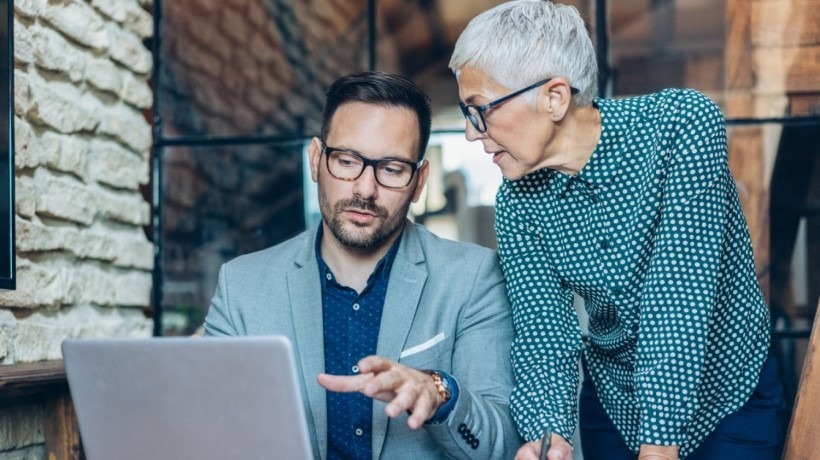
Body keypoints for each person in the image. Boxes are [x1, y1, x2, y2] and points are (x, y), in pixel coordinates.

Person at [449, 2, 784, 460]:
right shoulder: (517, 203)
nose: (472, 133)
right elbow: (543, 331)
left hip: (727, 396)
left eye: (479, 110)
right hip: (617, 405)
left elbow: (678, 299)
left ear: (554, 97)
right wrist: (550, 436)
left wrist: (659, 446)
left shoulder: (680, 128)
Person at [204, 71, 521, 460]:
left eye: (391, 169)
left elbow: (504, 446)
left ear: (419, 181)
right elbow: (212, 432)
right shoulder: (242, 287)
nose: (365, 189)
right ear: (316, 159)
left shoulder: (473, 278)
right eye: (347, 160)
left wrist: (440, 393)